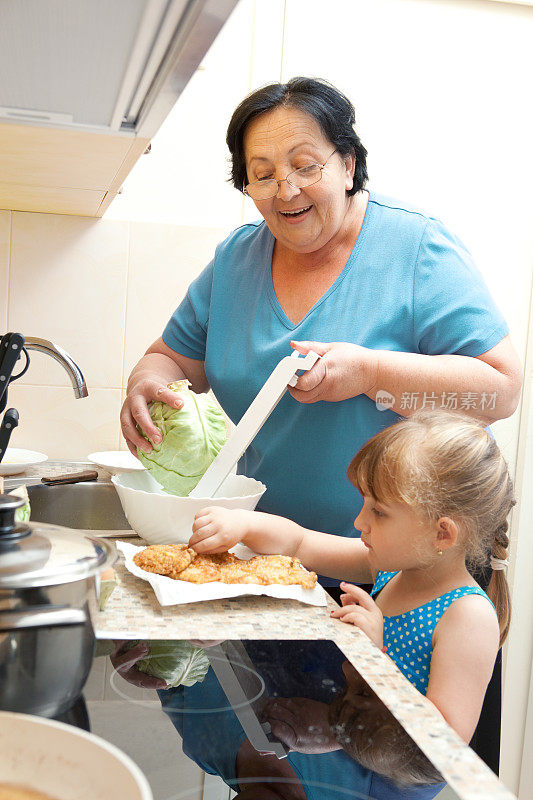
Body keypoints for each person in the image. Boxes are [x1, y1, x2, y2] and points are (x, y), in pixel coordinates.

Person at [120, 76, 521, 768]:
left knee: (387, 759)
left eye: (305, 165)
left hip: (400, 571)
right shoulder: (236, 258)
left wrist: (372, 373)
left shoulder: (416, 248)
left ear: (347, 162)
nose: (285, 190)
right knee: (292, 755)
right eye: (261, 173)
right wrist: (147, 384)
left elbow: (501, 388)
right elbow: (168, 358)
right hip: (280, 566)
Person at [188, 410, 514, 746]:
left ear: (442, 534)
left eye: (379, 511)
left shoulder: (467, 617)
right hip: (360, 743)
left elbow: (444, 741)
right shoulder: (391, 568)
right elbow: (301, 543)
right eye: (365, 504)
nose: (359, 521)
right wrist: (243, 523)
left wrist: (376, 655)